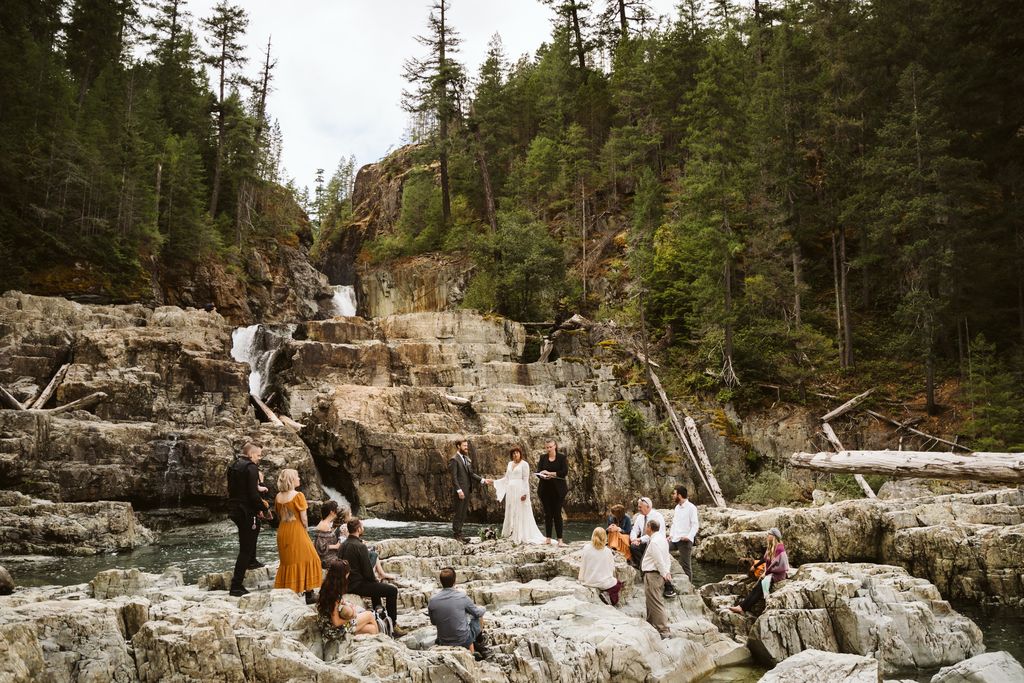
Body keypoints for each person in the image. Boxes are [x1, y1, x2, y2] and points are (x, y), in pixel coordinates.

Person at [340, 517, 407, 637]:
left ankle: (379, 615)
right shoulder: (360, 546)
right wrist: (376, 581)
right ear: (359, 529)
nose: (363, 528)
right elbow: (367, 572)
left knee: (375, 587)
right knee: (392, 590)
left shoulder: (343, 545)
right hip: (356, 585)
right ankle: (392, 626)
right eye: (362, 526)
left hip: (346, 583)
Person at [272, 468, 322, 604]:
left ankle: (290, 591)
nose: (299, 479)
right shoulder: (298, 495)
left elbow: (278, 515)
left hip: (282, 531)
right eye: (297, 476)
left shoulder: (278, 497)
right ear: (291, 480)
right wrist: (304, 529)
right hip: (297, 530)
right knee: (312, 557)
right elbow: (304, 519)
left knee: (288, 561)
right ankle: (309, 593)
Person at [227, 442, 270, 597]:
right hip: (246, 511)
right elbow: (252, 495)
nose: (259, 458)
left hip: (234, 509)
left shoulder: (234, 466)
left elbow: (236, 489)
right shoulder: (251, 468)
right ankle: (236, 586)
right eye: (258, 455)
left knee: (251, 534)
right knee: (245, 548)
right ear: (251, 455)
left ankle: (252, 561)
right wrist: (264, 508)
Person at [315, 501, 396, 582]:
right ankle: (374, 575)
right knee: (372, 554)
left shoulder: (333, 526)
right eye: (350, 514)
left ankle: (379, 574)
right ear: (344, 517)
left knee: (370, 552)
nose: (351, 516)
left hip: (341, 553)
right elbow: (343, 543)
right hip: (342, 555)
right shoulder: (343, 527)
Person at [489, 447, 546, 544]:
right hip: (511, 491)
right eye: (513, 453)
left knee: (520, 511)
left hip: (520, 490)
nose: (515, 455)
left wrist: (525, 493)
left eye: (517, 453)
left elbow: (525, 479)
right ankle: (511, 532)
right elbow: (506, 478)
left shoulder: (524, 464)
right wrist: (494, 482)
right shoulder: (510, 464)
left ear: (520, 454)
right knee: (511, 510)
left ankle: (520, 534)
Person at [428, 567, 488, 658]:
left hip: (443, 640)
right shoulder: (461, 596)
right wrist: (483, 608)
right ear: (454, 581)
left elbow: (433, 622)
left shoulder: (432, 601)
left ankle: (472, 650)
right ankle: (477, 646)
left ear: (441, 582)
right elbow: (477, 613)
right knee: (477, 617)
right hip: (463, 639)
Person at [729, 528, 790, 615]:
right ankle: (741, 607)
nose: (767, 536)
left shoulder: (780, 549)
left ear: (774, 537)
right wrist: (755, 566)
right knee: (756, 587)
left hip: (778, 575)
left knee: (760, 587)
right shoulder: (771, 547)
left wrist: (767, 573)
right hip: (771, 573)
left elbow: (783, 566)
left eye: (769, 534)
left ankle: (742, 607)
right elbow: (764, 559)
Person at [316, 560, 379, 640]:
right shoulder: (334, 596)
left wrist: (345, 603)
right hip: (334, 631)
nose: (348, 574)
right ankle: (380, 639)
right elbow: (336, 622)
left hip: (327, 628)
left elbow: (334, 605)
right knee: (369, 615)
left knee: (371, 629)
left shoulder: (328, 586)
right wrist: (351, 617)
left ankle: (376, 640)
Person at [448, 439, 492, 543]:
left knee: (463, 513)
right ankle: (456, 535)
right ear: (458, 446)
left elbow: (471, 474)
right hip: (460, 492)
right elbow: (454, 478)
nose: (467, 447)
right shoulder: (454, 459)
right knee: (459, 513)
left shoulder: (466, 459)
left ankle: (460, 534)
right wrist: (459, 490)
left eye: (467, 445)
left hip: (467, 490)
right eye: (464, 446)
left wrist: (483, 480)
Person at [640, 519, 672, 638]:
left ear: (649, 527)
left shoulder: (654, 542)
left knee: (656, 602)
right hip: (657, 574)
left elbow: (659, 560)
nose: (645, 528)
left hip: (653, 574)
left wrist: (664, 573)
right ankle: (650, 625)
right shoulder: (662, 539)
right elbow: (666, 558)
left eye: (646, 526)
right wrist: (666, 571)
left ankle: (664, 631)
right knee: (650, 601)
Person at [578, 527, 624, 606]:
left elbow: (583, 565)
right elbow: (611, 568)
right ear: (604, 537)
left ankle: (607, 595)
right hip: (602, 582)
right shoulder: (607, 551)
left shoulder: (586, 548)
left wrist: (581, 578)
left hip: (588, 580)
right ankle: (608, 596)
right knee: (618, 584)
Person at [536, 440, 568, 546]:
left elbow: (564, 472)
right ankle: (548, 539)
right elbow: (538, 471)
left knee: (557, 514)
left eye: (550, 447)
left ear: (555, 446)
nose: (548, 449)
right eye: (547, 447)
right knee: (548, 514)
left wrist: (551, 474)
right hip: (545, 490)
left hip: (558, 490)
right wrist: (542, 474)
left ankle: (560, 540)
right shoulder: (543, 458)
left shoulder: (562, 458)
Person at [668, 485, 699, 583]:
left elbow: (695, 525)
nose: (673, 496)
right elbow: (674, 523)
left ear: (680, 495)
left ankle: (689, 587)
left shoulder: (691, 508)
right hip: (675, 539)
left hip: (685, 540)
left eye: (674, 494)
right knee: (662, 548)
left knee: (686, 565)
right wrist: (671, 535)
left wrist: (689, 537)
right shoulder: (677, 507)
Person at [629, 496, 665, 569]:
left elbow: (656, 534)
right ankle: (641, 566)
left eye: (640, 507)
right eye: (638, 507)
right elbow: (634, 530)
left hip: (654, 542)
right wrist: (634, 539)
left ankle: (646, 566)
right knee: (633, 546)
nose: (638, 509)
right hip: (642, 542)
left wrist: (640, 539)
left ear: (648, 507)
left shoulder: (657, 516)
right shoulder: (640, 517)